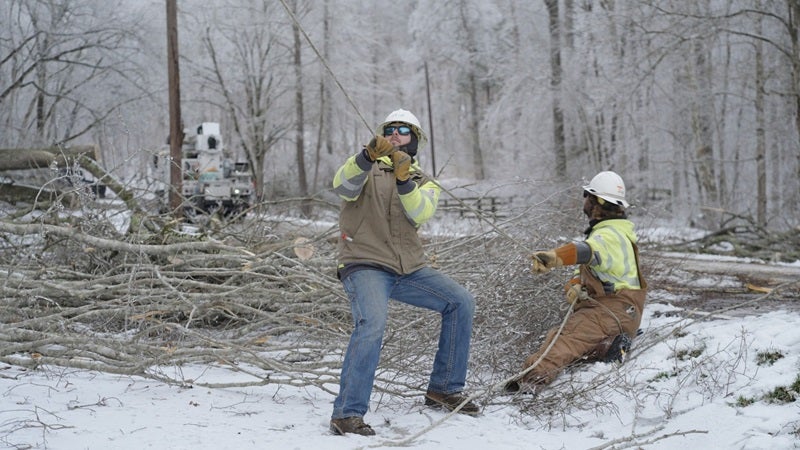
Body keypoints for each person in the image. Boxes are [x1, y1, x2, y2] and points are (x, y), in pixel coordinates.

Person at [329, 109, 478, 436]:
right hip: (365, 261)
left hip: (407, 268)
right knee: (372, 323)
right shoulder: (364, 166)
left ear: (415, 139)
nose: (395, 134)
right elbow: (342, 187)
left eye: (403, 130)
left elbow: (419, 212)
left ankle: (444, 389)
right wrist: (365, 157)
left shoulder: (424, 180)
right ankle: (347, 413)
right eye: (390, 129)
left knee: (460, 302)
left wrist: (403, 179)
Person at [506, 171, 647, 393]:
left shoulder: (608, 236)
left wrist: (554, 257)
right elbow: (595, 266)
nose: (584, 201)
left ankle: (529, 382)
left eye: (586, 196)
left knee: (564, 340)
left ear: (596, 202)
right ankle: (608, 345)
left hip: (608, 313)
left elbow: (587, 251)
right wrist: (574, 284)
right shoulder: (618, 233)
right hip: (622, 314)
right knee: (577, 346)